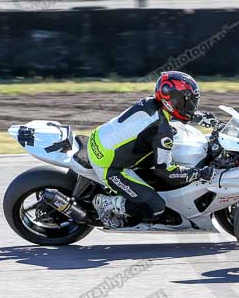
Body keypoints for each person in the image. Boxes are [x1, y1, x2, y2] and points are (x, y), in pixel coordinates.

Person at [88, 71, 216, 228]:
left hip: (99, 139)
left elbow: (171, 115)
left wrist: (199, 117)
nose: (190, 106)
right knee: (155, 207)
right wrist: (198, 173)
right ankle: (107, 203)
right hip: (109, 166)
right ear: (170, 99)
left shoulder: (150, 102)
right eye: (185, 101)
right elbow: (167, 173)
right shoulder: (162, 131)